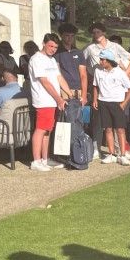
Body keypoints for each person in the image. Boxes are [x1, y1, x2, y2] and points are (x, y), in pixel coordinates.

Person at [83, 22, 130, 160]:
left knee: (118, 124)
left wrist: (125, 74)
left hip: (115, 87)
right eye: (94, 32)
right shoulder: (90, 48)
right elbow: (81, 63)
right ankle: (97, 148)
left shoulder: (115, 46)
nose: (96, 35)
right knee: (100, 121)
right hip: (99, 84)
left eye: (98, 32)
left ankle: (120, 150)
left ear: (104, 32)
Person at [27, 33, 71, 171]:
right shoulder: (36, 59)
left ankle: (45, 159)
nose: (53, 49)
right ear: (44, 44)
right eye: (51, 46)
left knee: (48, 130)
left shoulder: (51, 60)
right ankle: (36, 161)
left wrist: (70, 94)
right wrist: (59, 99)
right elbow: (44, 82)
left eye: (55, 47)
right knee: (40, 129)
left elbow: (59, 78)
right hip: (43, 100)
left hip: (52, 101)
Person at [92, 48, 130, 165]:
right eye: (100, 59)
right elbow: (95, 86)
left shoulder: (119, 72)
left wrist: (123, 104)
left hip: (117, 103)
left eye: (103, 60)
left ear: (109, 60)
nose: (100, 62)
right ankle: (112, 154)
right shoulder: (98, 71)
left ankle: (123, 154)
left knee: (120, 129)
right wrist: (95, 99)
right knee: (108, 129)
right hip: (103, 102)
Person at [56, 23, 88, 104]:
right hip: (63, 90)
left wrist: (84, 95)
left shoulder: (79, 52)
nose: (70, 38)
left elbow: (83, 75)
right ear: (61, 35)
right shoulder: (57, 52)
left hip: (78, 91)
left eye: (72, 36)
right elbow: (57, 74)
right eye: (67, 35)